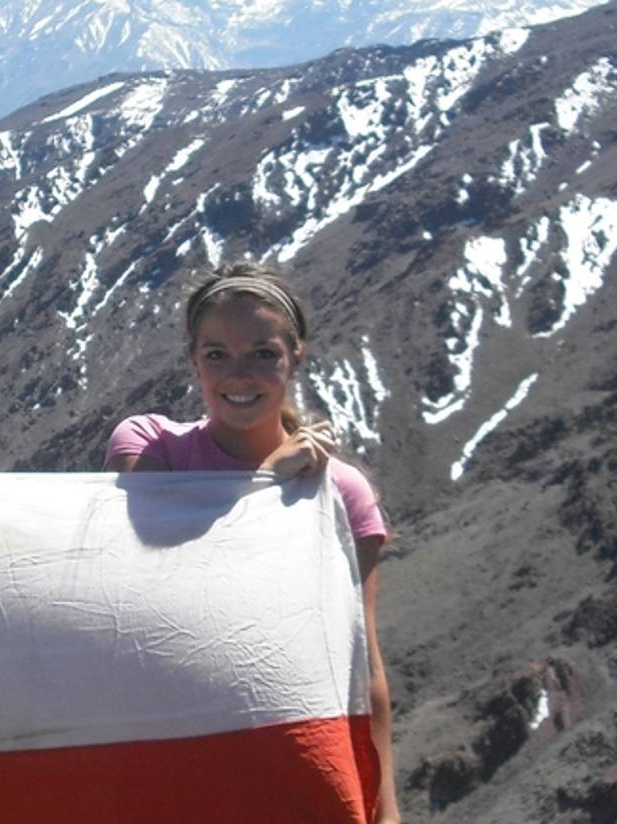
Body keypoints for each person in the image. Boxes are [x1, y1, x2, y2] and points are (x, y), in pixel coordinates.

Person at [103, 262, 400, 823]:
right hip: (158, 751)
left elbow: (364, 666)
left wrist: (386, 811)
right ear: (193, 360)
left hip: (281, 764)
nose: (238, 375)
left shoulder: (341, 493)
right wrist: (267, 477)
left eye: (262, 353)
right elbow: (149, 564)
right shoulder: (148, 443)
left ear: (296, 356)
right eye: (217, 355)